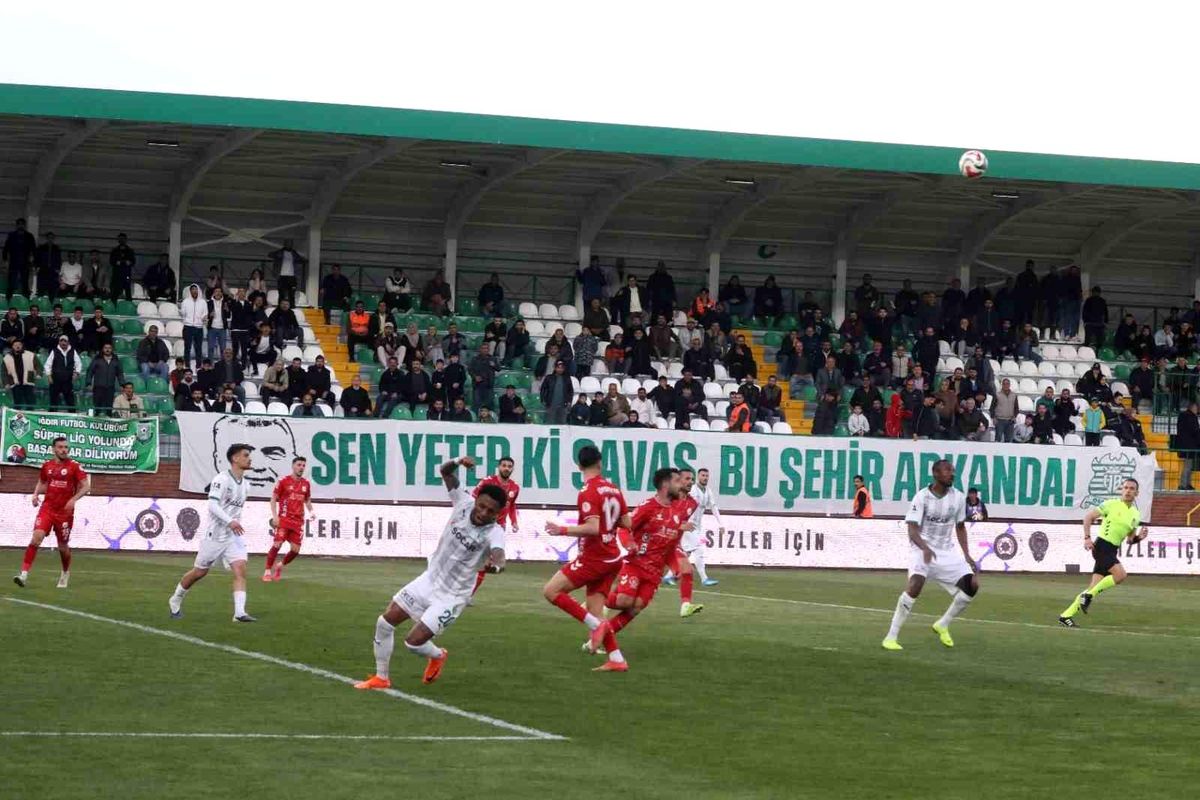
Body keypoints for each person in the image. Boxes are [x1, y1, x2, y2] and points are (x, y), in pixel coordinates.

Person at [354, 456, 506, 689]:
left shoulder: (495, 532)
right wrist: (457, 461)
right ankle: (381, 678)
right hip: (429, 580)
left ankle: (437, 655)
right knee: (384, 623)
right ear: (476, 500)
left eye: (490, 511)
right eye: (482, 506)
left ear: (498, 514)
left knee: (413, 643)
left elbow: (499, 558)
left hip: (452, 596)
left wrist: (494, 566)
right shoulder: (463, 503)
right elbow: (445, 472)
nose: (483, 513)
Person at [587, 467, 690, 672]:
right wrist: (629, 544)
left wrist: (675, 567)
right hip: (636, 564)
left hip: (654, 572)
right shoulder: (648, 507)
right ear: (665, 485)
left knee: (635, 608)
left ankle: (602, 635)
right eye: (678, 481)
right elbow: (625, 528)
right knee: (624, 600)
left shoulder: (678, 511)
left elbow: (669, 545)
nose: (682, 485)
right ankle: (593, 603)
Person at [882, 460, 979, 651]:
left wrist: (967, 555)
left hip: (946, 551)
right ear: (935, 474)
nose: (952, 474)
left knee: (972, 585)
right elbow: (912, 530)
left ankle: (943, 624)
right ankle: (890, 637)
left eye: (952, 470)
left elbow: (960, 527)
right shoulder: (922, 497)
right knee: (916, 584)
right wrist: (925, 548)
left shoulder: (958, 498)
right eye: (947, 470)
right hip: (922, 548)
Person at [168, 443, 256, 622]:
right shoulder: (222, 479)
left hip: (233, 536)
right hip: (215, 535)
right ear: (235, 458)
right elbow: (212, 505)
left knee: (240, 569)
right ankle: (176, 598)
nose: (249, 458)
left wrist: (234, 523)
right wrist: (229, 521)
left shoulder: (246, 485)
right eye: (246, 455)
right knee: (199, 572)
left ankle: (239, 613)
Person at [1058, 478, 1149, 627]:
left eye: (1132, 488)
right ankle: (1088, 596)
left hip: (1112, 550)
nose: (1128, 491)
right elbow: (1088, 517)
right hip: (1101, 547)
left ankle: (1065, 615)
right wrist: (1087, 537)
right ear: (1121, 490)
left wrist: (1139, 538)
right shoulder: (1111, 504)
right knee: (1120, 575)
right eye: (1125, 487)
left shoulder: (1135, 514)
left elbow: (1130, 539)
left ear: (1137, 493)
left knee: (1093, 586)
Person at [470, 457, 522, 595]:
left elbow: (511, 505)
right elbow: (473, 498)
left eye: (509, 466)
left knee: (485, 561)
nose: (506, 468)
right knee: (470, 556)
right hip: (481, 525)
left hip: (498, 527)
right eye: (504, 465)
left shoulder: (515, 488)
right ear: (499, 467)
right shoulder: (487, 482)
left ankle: (469, 594)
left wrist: (514, 521)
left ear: (512, 469)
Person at [262, 456, 314, 582]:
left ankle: (280, 565)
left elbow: (306, 499)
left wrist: (311, 511)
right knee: (277, 544)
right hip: (284, 519)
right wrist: (275, 516)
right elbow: (273, 498)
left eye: (303, 465)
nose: (301, 467)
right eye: (299, 465)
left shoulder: (306, 484)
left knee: (295, 550)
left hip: (298, 522)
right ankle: (267, 571)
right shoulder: (283, 481)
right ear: (293, 466)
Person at [86, 343, 123, 414]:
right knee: (97, 408)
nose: (107, 349)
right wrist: (88, 383)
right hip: (98, 387)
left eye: (109, 348)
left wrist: (122, 384)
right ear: (103, 349)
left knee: (109, 408)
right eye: (106, 348)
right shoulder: (97, 359)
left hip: (110, 387)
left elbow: (120, 373)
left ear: (112, 349)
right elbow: (90, 371)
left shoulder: (115, 360)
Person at [47, 334, 81, 411]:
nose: (63, 343)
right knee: (53, 399)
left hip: (68, 380)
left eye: (65, 341)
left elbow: (78, 363)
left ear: (68, 342)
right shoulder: (54, 351)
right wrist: (49, 376)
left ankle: (72, 416)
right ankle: (51, 416)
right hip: (55, 379)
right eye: (61, 341)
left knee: (70, 399)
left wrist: (77, 373)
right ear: (59, 342)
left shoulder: (73, 351)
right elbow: (47, 365)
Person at [4, 217, 36, 299]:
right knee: (11, 283)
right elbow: (6, 248)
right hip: (13, 262)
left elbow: (34, 249)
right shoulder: (11, 235)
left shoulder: (29, 236)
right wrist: (5, 260)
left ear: (24, 225)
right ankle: (8, 301)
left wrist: (33, 261)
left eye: (22, 224)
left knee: (25, 283)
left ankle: (26, 300)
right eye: (19, 224)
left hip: (25, 263)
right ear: (17, 225)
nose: (21, 226)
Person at [267, 239, 305, 307]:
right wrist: (278, 252)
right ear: (284, 244)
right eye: (287, 243)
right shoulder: (280, 252)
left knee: (292, 294)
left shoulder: (294, 253)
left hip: (292, 277)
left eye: (290, 243)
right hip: (282, 276)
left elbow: (301, 260)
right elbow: (270, 255)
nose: (289, 245)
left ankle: (292, 308)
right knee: (281, 294)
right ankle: (280, 308)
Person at [3, 340, 39, 408]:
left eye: (19, 344)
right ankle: (17, 417)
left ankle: (31, 416)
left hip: (28, 381)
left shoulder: (30, 354)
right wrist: (6, 383)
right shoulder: (7, 358)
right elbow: (4, 372)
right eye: (15, 345)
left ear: (22, 346)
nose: (17, 346)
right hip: (15, 382)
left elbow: (38, 365)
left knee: (30, 401)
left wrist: (38, 374)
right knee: (17, 402)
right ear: (12, 347)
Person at [180, 283, 206, 367]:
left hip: (199, 328)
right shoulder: (185, 301)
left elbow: (205, 313)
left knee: (198, 348)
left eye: (195, 289)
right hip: (188, 327)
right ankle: (187, 365)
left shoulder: (203, 302)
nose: (194, 291)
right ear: (190, 291)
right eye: (192, 289)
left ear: (198, 290)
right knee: (187, 347)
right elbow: (183, 313)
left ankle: (198, 366)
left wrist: (201, 318)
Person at [1175, 402, 1200, 490]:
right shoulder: (1191, 417)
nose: (1197, 411)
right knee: (1187, 466)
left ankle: (1187, 484)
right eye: (1197, 409)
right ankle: (1183, 485)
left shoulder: (1183, 416)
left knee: (1188, 466)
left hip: (1185, 445)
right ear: (1193, 408)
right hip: (1189, 446)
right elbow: (1195, 431)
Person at [468, 343, 498, 414]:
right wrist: (475, 376)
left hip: (489, 385)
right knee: (477, 404)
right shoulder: (475, 359)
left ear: (488, 350)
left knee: (490, 404)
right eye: (483, 348)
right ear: (480, 349)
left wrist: (494, 365)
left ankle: (490, 420)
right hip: (478, 385)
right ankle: (475, 420)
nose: (485, 350)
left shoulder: (493, 358)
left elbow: (499, 368)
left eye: (486, 348)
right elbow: (470, 370)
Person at [205, 286, 230, 360]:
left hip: (222, 329)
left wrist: (227, 310)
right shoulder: (209, 303)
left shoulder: (225, 303)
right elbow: (206, 315)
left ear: (222, 293)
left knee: (223, 349)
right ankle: (210, 366)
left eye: (219, 291)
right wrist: (210, 315)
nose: (218, 293)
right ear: (213, 293)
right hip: (212, 328)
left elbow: (228, 316)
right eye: (216, 291)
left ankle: (222, 364)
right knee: (210, 348)